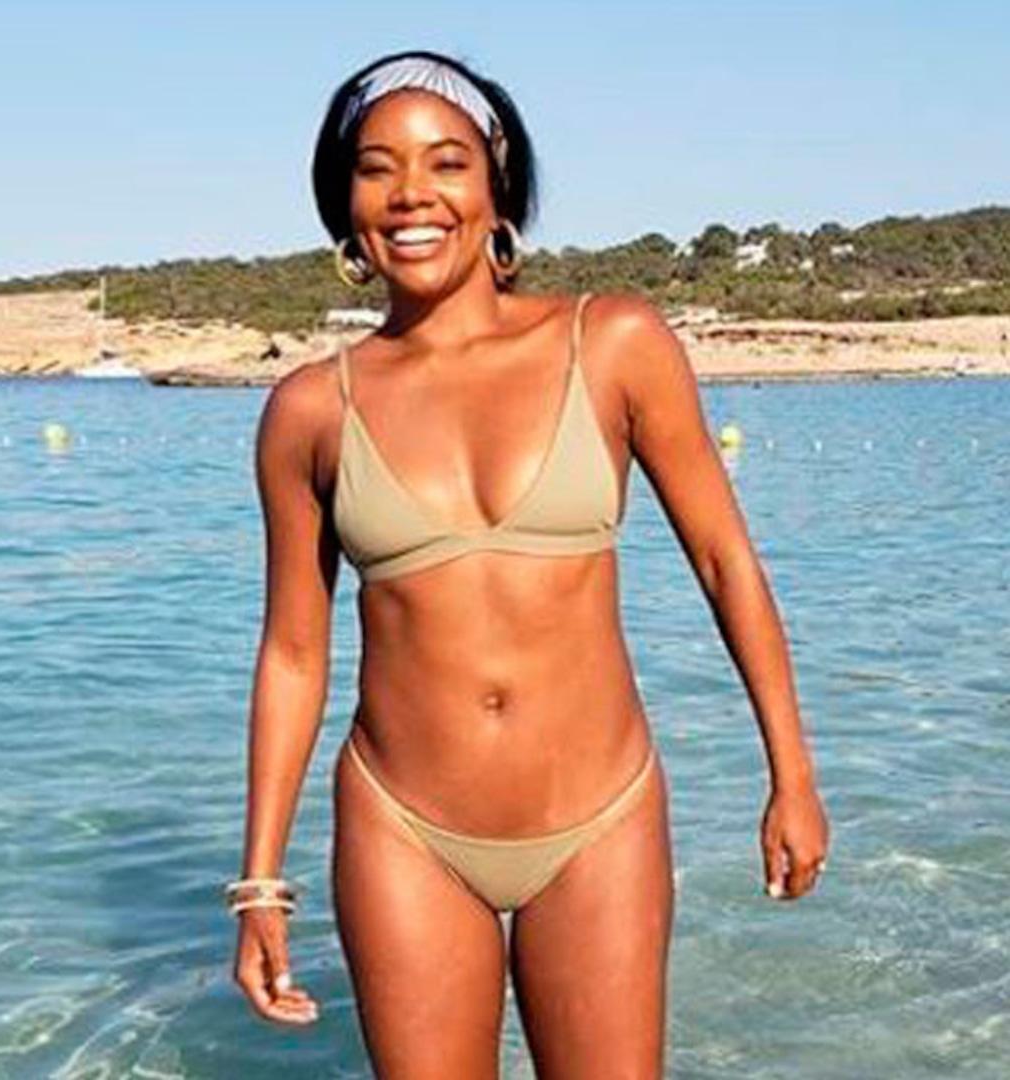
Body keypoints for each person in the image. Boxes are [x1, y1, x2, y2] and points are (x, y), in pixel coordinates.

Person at [228, 48, 830, 1079]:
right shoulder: (310, 410)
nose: (411, 194)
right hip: (403, 828)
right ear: (345, 205)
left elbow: (724, 560)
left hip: (600, 820)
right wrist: (260, 884)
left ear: (497, 186)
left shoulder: (615, 343)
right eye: (376, 169)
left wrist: (793, 773)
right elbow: (292, 652)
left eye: (446, 162)